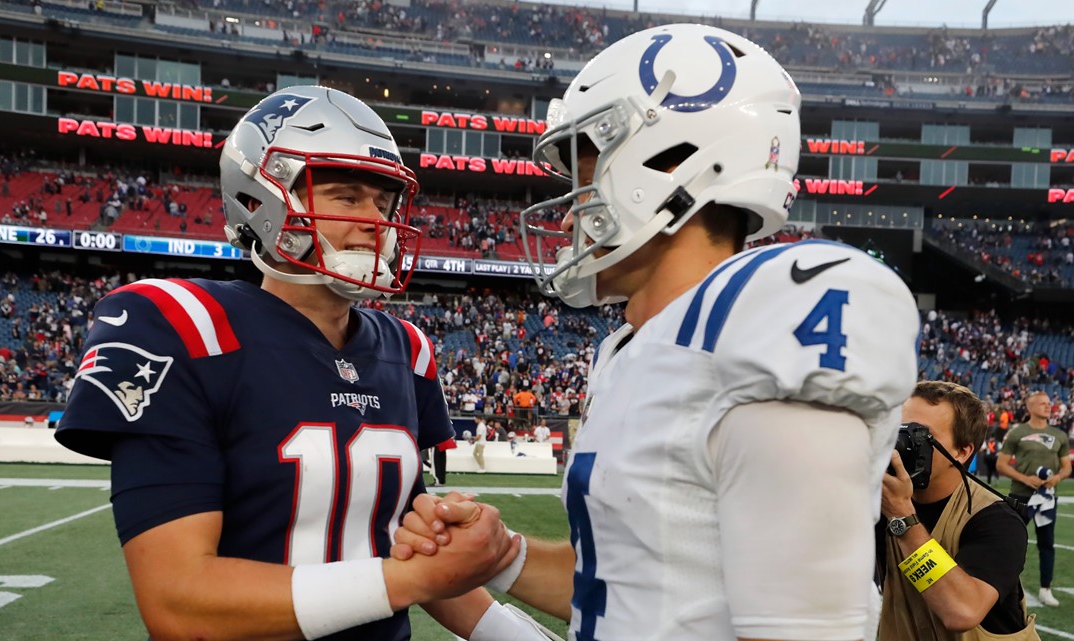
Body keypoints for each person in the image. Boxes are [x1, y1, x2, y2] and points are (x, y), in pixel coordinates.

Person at [392, 23, 920, 641]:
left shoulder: (764, 318)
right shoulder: (633, 349)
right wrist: (503, 555)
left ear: (669, 164)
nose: (570, 209)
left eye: (585, 176)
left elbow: (800, 630)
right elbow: (627, 590)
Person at [56, 86, 551, 641]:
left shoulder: (408, 351)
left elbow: (406, 543)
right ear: (262, 199)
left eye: (383, 203)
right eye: (346, 197)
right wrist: (403, 582)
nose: (375, 221)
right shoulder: (182, 326)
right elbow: (178, 601)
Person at [877, 381, 1038, 640]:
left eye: (919, 435)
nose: (901, 444)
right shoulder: (878, 499)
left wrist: (902, 518)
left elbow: (961, 612)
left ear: (963, 451)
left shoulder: (997, 519)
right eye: (899, 431)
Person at [997, 391, 1071, 607]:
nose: (1048, 406)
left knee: (1047, 543)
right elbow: (1001, 464)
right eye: (1043, 403)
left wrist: (1057, 477)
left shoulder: (1059, 435)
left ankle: (1045, 589)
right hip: (1020, 495)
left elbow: (1066, 466)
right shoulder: (1017, 432)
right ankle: (1000, 586)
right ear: (1029, 407)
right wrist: (1024, 479)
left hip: (1047, 498)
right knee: (1011, 542)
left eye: (1049, 403)